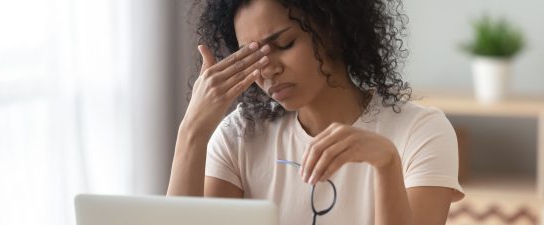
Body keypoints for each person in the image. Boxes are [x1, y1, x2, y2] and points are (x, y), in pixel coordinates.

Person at [167, 0, 464, 224]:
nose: (268, 68)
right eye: (252, 55)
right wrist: (192, 132)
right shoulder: (239, 137)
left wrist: (386, 164)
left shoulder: (421, 131)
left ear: (334, 28)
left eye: (284, 44)